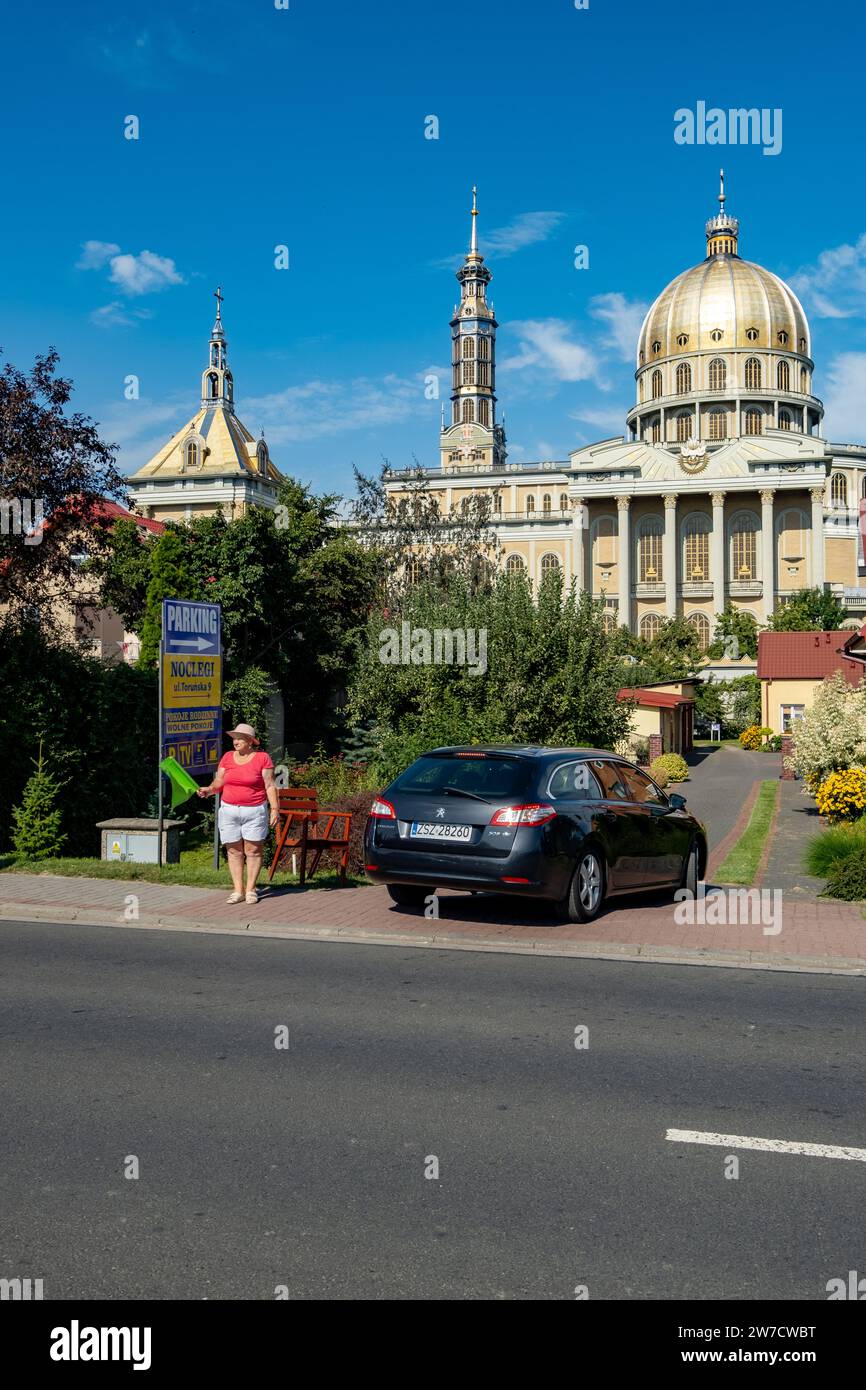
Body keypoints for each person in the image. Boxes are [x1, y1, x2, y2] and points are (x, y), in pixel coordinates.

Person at [198, 723, 279, 905]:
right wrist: (209, 790)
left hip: (254, 810)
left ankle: (251, 890)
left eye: (239, 738)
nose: (235, 742)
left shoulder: (262, 758)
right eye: (234, 738)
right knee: (233, 851)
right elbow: (219, 781)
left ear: (250, 741)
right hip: (229, 810)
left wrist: (274, 809)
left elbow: (270, 785)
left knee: (253, 850)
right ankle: (237, 890)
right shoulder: (227, 757)